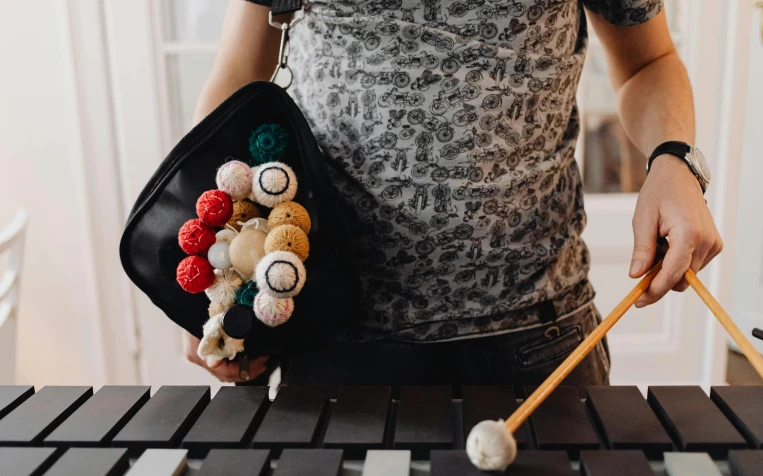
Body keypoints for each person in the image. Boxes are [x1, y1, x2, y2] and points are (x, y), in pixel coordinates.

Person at [184, 0, 722, 395]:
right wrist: (209, 279)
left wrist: (674, 160)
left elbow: (648, 63)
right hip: (328, 330)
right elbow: (237, 75)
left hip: (535, 333)